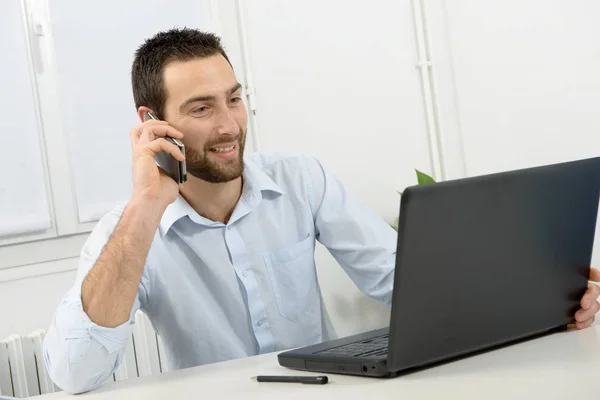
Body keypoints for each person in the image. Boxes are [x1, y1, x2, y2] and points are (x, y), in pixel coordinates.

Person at [43, 28, 600, 394]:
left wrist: (541, 297)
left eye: (234, 98)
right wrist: (146, 204)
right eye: (201, 108)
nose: (229, 126)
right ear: (151, 121)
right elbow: (75, 373)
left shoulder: (299, 179)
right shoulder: (130, 228)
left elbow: (400, 280)